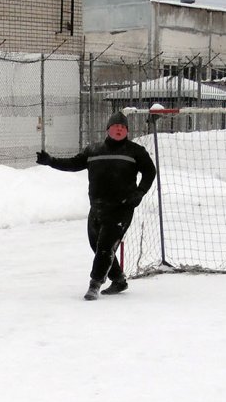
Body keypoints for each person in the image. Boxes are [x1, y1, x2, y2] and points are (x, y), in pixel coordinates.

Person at [37, 111, 157, 300]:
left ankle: (95, 284)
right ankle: (118, 280)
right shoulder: (93, 150)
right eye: (116, 126)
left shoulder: (135, 151)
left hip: (122, 207)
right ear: (108, 129)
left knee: (105, 246)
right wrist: (50, 161)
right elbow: (73, 164)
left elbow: (150, 172)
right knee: (97, 245)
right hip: (98, 207)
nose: (120, 129)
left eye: (123, 127)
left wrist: (139, 193)